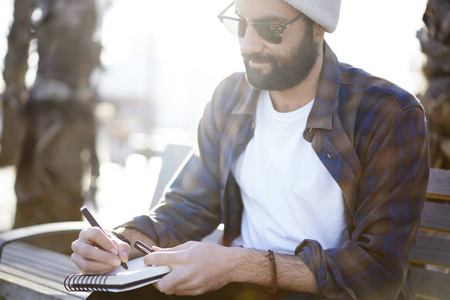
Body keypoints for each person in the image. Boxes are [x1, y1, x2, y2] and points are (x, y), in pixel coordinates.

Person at [70, 0, 430, 299]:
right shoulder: (229, 98)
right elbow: (188, 207)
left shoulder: (388, 115)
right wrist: (119, 242)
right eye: (242, 24)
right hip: (237, 286)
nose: (248, 45)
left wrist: (234, 263)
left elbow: (378, 269)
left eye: (271, 28)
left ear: (318, 27)